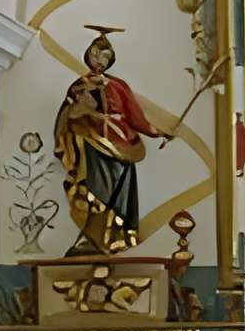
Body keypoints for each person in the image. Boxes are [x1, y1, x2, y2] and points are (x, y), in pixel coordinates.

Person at [53, 28, 166, 254]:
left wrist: (157, 132)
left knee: (119, 192)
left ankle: (117, 237)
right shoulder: (79, 85)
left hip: (122, 143)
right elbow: (66, 115)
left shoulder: (118, 86)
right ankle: (91, 238)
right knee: (93, 189)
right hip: (91, 144)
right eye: (95, 54)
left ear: (111, 59)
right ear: (88, 55)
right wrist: (78, 111)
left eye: (105, 56)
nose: (99, 60)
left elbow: (135, 116)